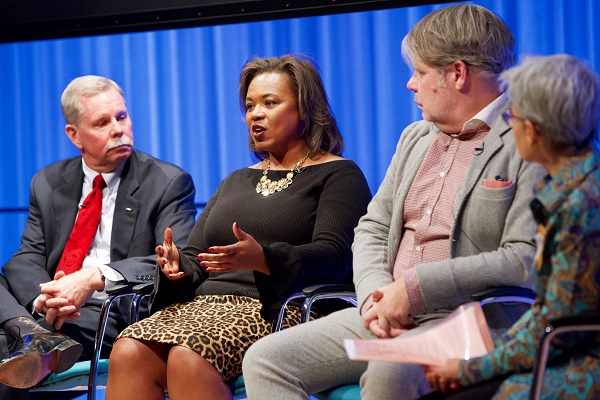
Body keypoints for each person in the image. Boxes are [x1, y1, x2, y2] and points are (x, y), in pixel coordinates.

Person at [242, 4, 547, 400]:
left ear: (457, 73)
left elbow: (523, 258)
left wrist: (415, 290)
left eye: (419, 72)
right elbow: (373, 227)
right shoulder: (416, 138)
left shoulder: (527, 142)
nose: (410, 84)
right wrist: (376, 297)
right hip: (389, 310)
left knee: (391, 368)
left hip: (478, 319)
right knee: (265, 358)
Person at [105, 53, 372, 400]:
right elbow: (196, 255)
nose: (255, 114)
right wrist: (175, 266)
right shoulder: (237, 179)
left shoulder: (339, 175)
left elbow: (334, 255)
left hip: (281, 308)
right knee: (127, 350)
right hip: (202, 308)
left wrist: (264, 258)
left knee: (189, 357)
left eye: (269, 103)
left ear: (305, 109)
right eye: (249, 105)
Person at [0, 75, 197, 399]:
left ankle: (30, 337)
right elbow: (28, 255)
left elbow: (177, 257)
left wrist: (95, 277)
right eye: (102, 122)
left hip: (112, 310)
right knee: (14, 335)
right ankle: (30, 331)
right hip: (54, 310)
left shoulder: (167, 181)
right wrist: (46, 300)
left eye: (121, 116)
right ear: (74, 135)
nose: (118, 129)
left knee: (3, 345)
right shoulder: (47, 182)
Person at [423, 54, 600, 399]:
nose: (508, 124)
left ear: (532, 132)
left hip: (583, 365)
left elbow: (558, 331)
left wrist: (469, 369)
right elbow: (548, 314)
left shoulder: (579, 207)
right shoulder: (574, 184)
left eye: (511, 117)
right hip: (560, 347)